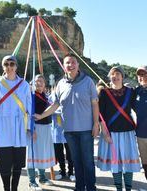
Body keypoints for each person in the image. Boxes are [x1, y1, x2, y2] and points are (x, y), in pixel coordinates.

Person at [35, 53, 99, 191]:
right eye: (67, 63)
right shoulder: (61, 84)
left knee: (87, 161)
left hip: (86, 130)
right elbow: (55, 105)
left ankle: (91, 187)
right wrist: (41, 116)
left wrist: (96, 124)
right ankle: (80, 187)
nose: (70, 65)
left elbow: (95, 104)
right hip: (69, 131)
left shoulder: (88, 81)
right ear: (64, 66)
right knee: (76, 161)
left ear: (78, 64)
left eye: (73, 62)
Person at [0, 55, 32, 191]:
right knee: (4, 163)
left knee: (18, 164)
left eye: (12, 64)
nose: (9, 67)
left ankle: (14, 189)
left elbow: (29, 108)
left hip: (20, 128)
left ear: (16, 66)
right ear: (3, 67)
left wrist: (30, 128)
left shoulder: (24, 84)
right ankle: (6, 188)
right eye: (6, 64)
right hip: (2, 128)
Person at [97, 66, 141, 191]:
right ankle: (118, 189)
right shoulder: (104, 93)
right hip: (111, 134)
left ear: (122, 77)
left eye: (117, 74)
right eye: (112, 74)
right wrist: (104, 132)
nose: (115, 77)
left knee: (128, 164)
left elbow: (138, 109)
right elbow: (101, 115)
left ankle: (128, 189)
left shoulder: (130, 92)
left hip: (127, 132)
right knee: (115, 164)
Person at [27, 74, 55, 190]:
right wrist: (31, 129)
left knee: (42, 153)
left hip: (46, 127)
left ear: (45, 84)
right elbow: (28, 114)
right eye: (36, 81)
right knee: (33, 155)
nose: (39, 83)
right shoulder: (31, 96)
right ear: (32, 83)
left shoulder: (45, 95)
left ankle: (42, 177)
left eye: (41, 81)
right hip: (35, 128)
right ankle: (32, 181)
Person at [51, 106, 74, 181]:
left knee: (70, 152)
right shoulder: (51, 97)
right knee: (59, 152)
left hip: (68, 128)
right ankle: (62, 171)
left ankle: (71, 172)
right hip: (56, 129)